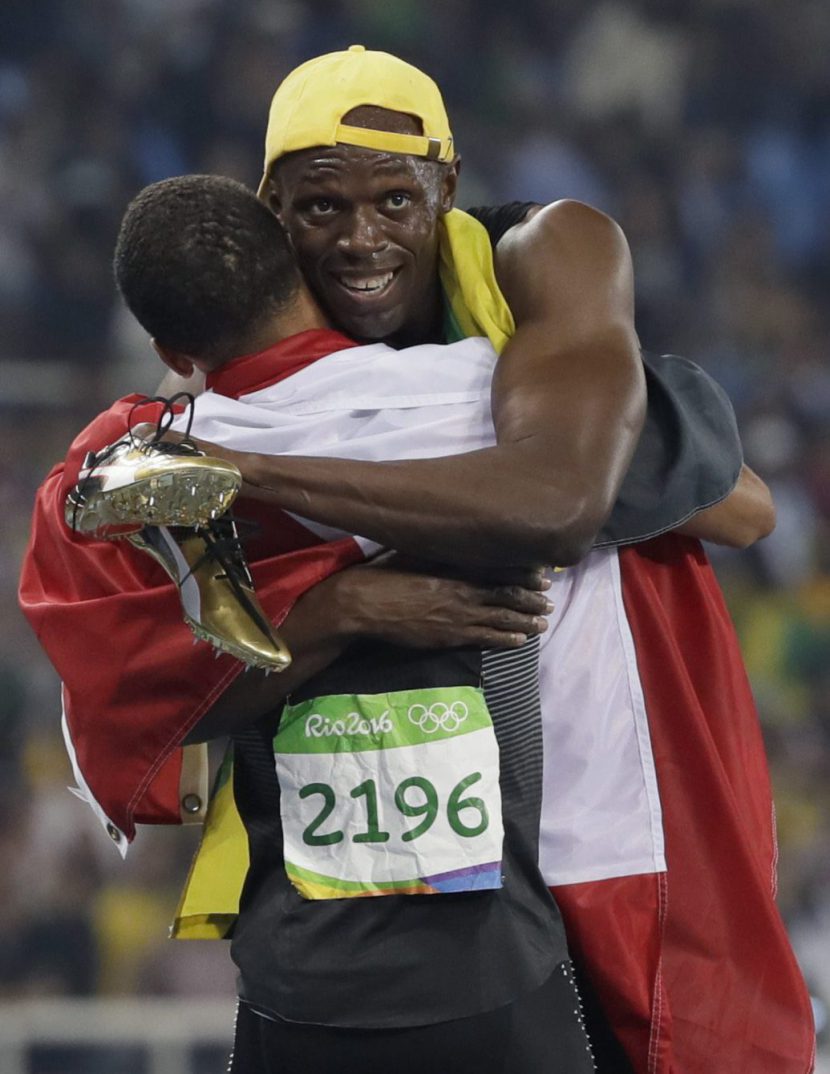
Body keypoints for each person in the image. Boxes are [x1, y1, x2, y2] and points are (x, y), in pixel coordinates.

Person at [21, 47, 814, 1073]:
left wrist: (246, 471)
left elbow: (655, 505)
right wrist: (351, 605)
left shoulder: (534, 272)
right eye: (319, 211)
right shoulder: (386, 401)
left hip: (577, 814)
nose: (360, 240)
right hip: (391, 909)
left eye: (396, 201)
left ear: (448, 190)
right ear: (270, 214)